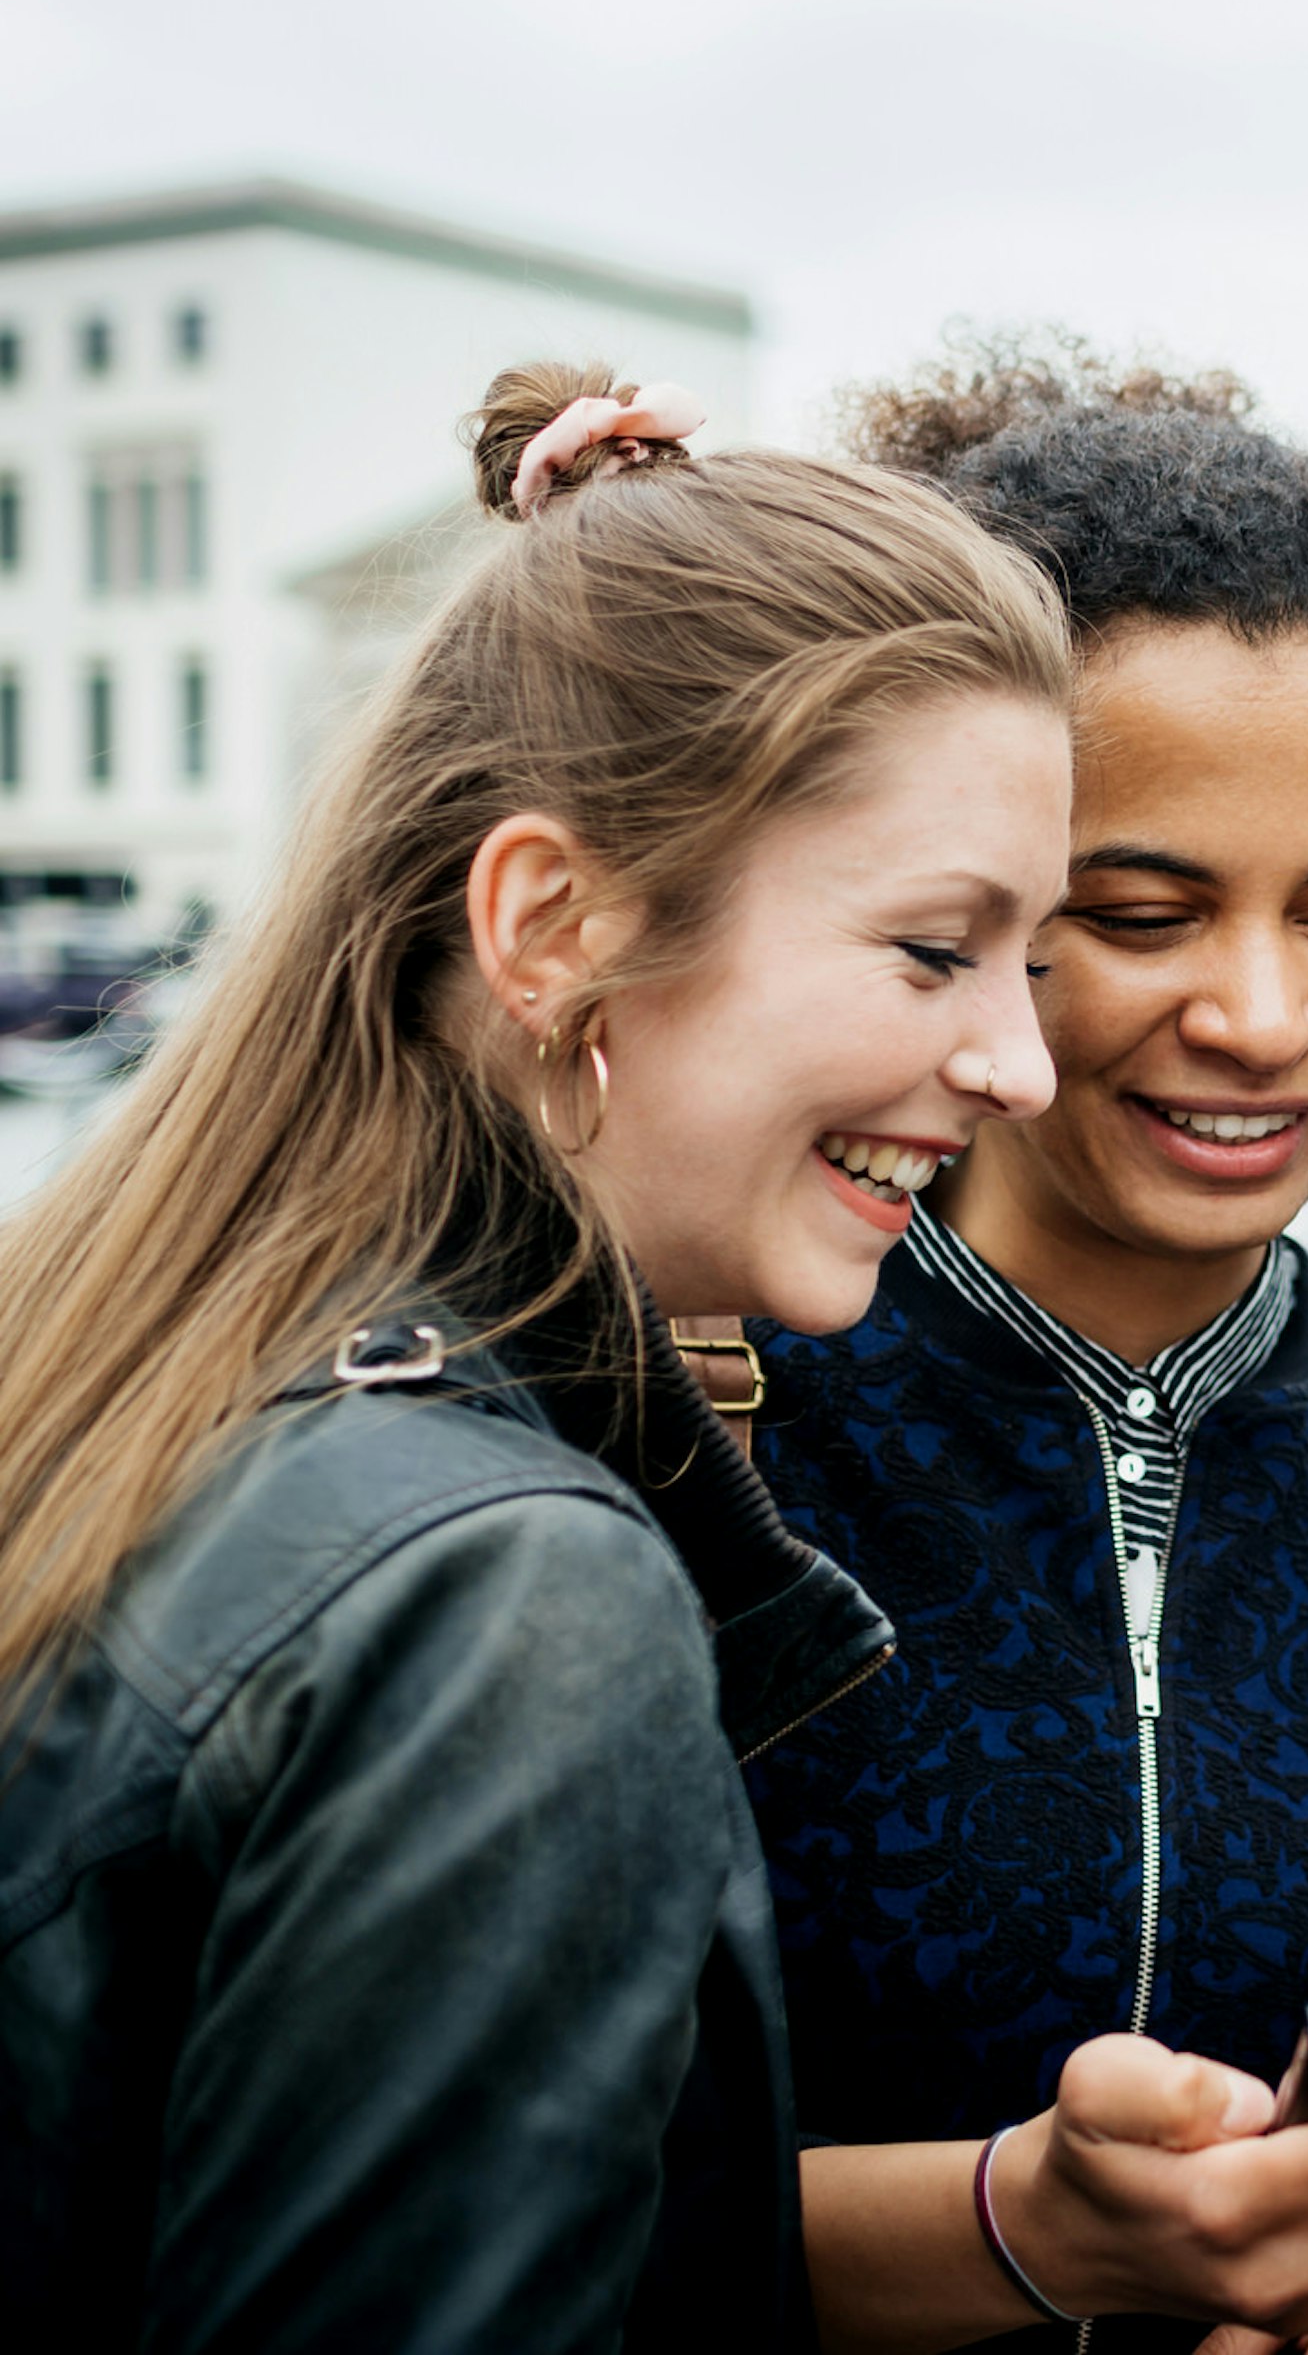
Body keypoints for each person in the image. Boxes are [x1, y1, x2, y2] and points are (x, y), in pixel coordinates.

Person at [0, 367, 1074, 2349]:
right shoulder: (505, 1589)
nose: (1020, 1059)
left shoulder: (147, 1369)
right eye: (935, 950)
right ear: (552, 919)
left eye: (1039, 956)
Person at [740, 342, 1308, 2354]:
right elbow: (504, 2169)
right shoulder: (688, 1424)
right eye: (1145, 910)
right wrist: (1018, 2225)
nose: (1265, 1014)